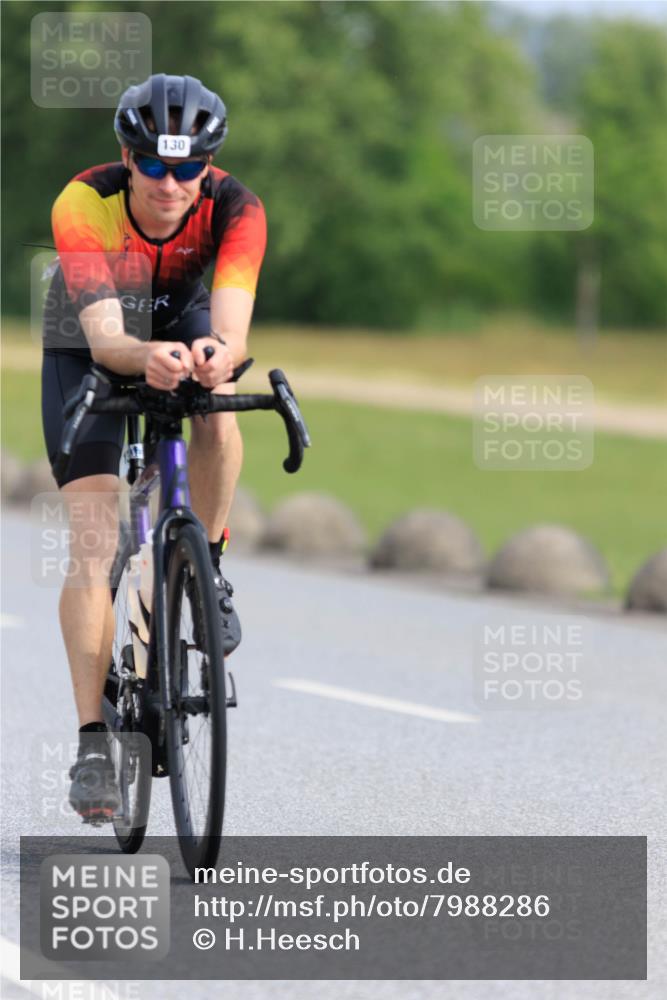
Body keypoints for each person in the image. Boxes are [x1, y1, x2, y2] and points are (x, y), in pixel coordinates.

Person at [40, 73, 267, 822]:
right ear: (127, 157)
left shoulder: (237, 209)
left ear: (208, 168)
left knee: (218, 412)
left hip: (180, 311)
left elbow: (231, 332)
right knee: (97, 532)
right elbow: (107, 341)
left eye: (188, 169)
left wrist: (212, 358)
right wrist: (146, 358)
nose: (171, 184)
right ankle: (94, 742)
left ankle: (206, 566)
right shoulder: (83, 203)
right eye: (155, 165)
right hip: (90, 330)